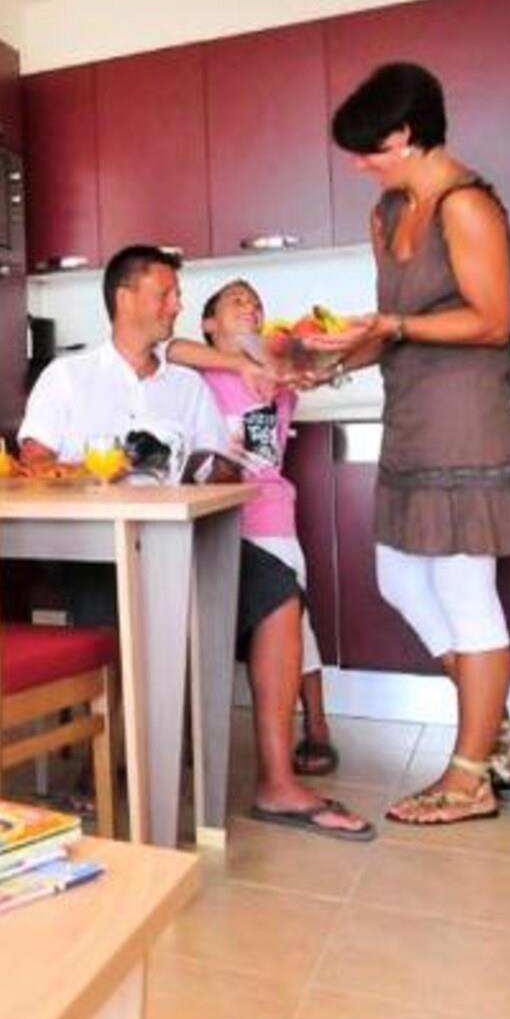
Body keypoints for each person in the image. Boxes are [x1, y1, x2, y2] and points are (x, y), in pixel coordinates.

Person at [22, 248, 372, 841]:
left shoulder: (187, 387)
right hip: (100, 550)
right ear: (125, 298)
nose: (175, 305)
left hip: (184, 542)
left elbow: (221, 464)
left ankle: (277, 782)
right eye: (166, 294)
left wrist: (205, 467)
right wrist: (98, 469)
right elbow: (34, 459)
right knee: (123, 610)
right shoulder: (68, 377)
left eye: (178, 295)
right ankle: (105, 760)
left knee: (280, 592)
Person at [311, 62, 510, 826]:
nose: (360, 164)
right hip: (411, 420)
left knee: (463, 591)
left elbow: (492, 319)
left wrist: (394, 325)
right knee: (399, 578)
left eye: (370, 149)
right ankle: (500, 734)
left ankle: (469, 775)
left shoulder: (467, 205)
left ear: (408, 133)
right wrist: (321, 364)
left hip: (469, 420)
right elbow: (389, 329)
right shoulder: (387, 212)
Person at [167, 278, 339, 777]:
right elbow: (168, 346)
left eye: (256, 303)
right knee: (192, 621)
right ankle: (186, 731)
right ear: (208, 322)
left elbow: (261, 458)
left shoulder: (276, 372)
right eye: (236, 300)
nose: (250, 306)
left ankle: (317, 725)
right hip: (205, 516)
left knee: (291, 617)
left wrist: (296, 364)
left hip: (266, 513)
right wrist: (238, 364)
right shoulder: (192, 376)